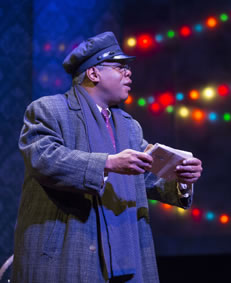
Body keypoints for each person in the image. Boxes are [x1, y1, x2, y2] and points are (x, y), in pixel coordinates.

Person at [12, 31, 203, 283]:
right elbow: (44, 160)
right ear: (94, 73)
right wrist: (108, 163)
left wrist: (180, 177)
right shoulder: (49, 110)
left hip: (125, 252)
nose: (128, 73)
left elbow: (145, 177)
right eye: (120, 67)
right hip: (69, 249)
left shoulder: (128, 125)